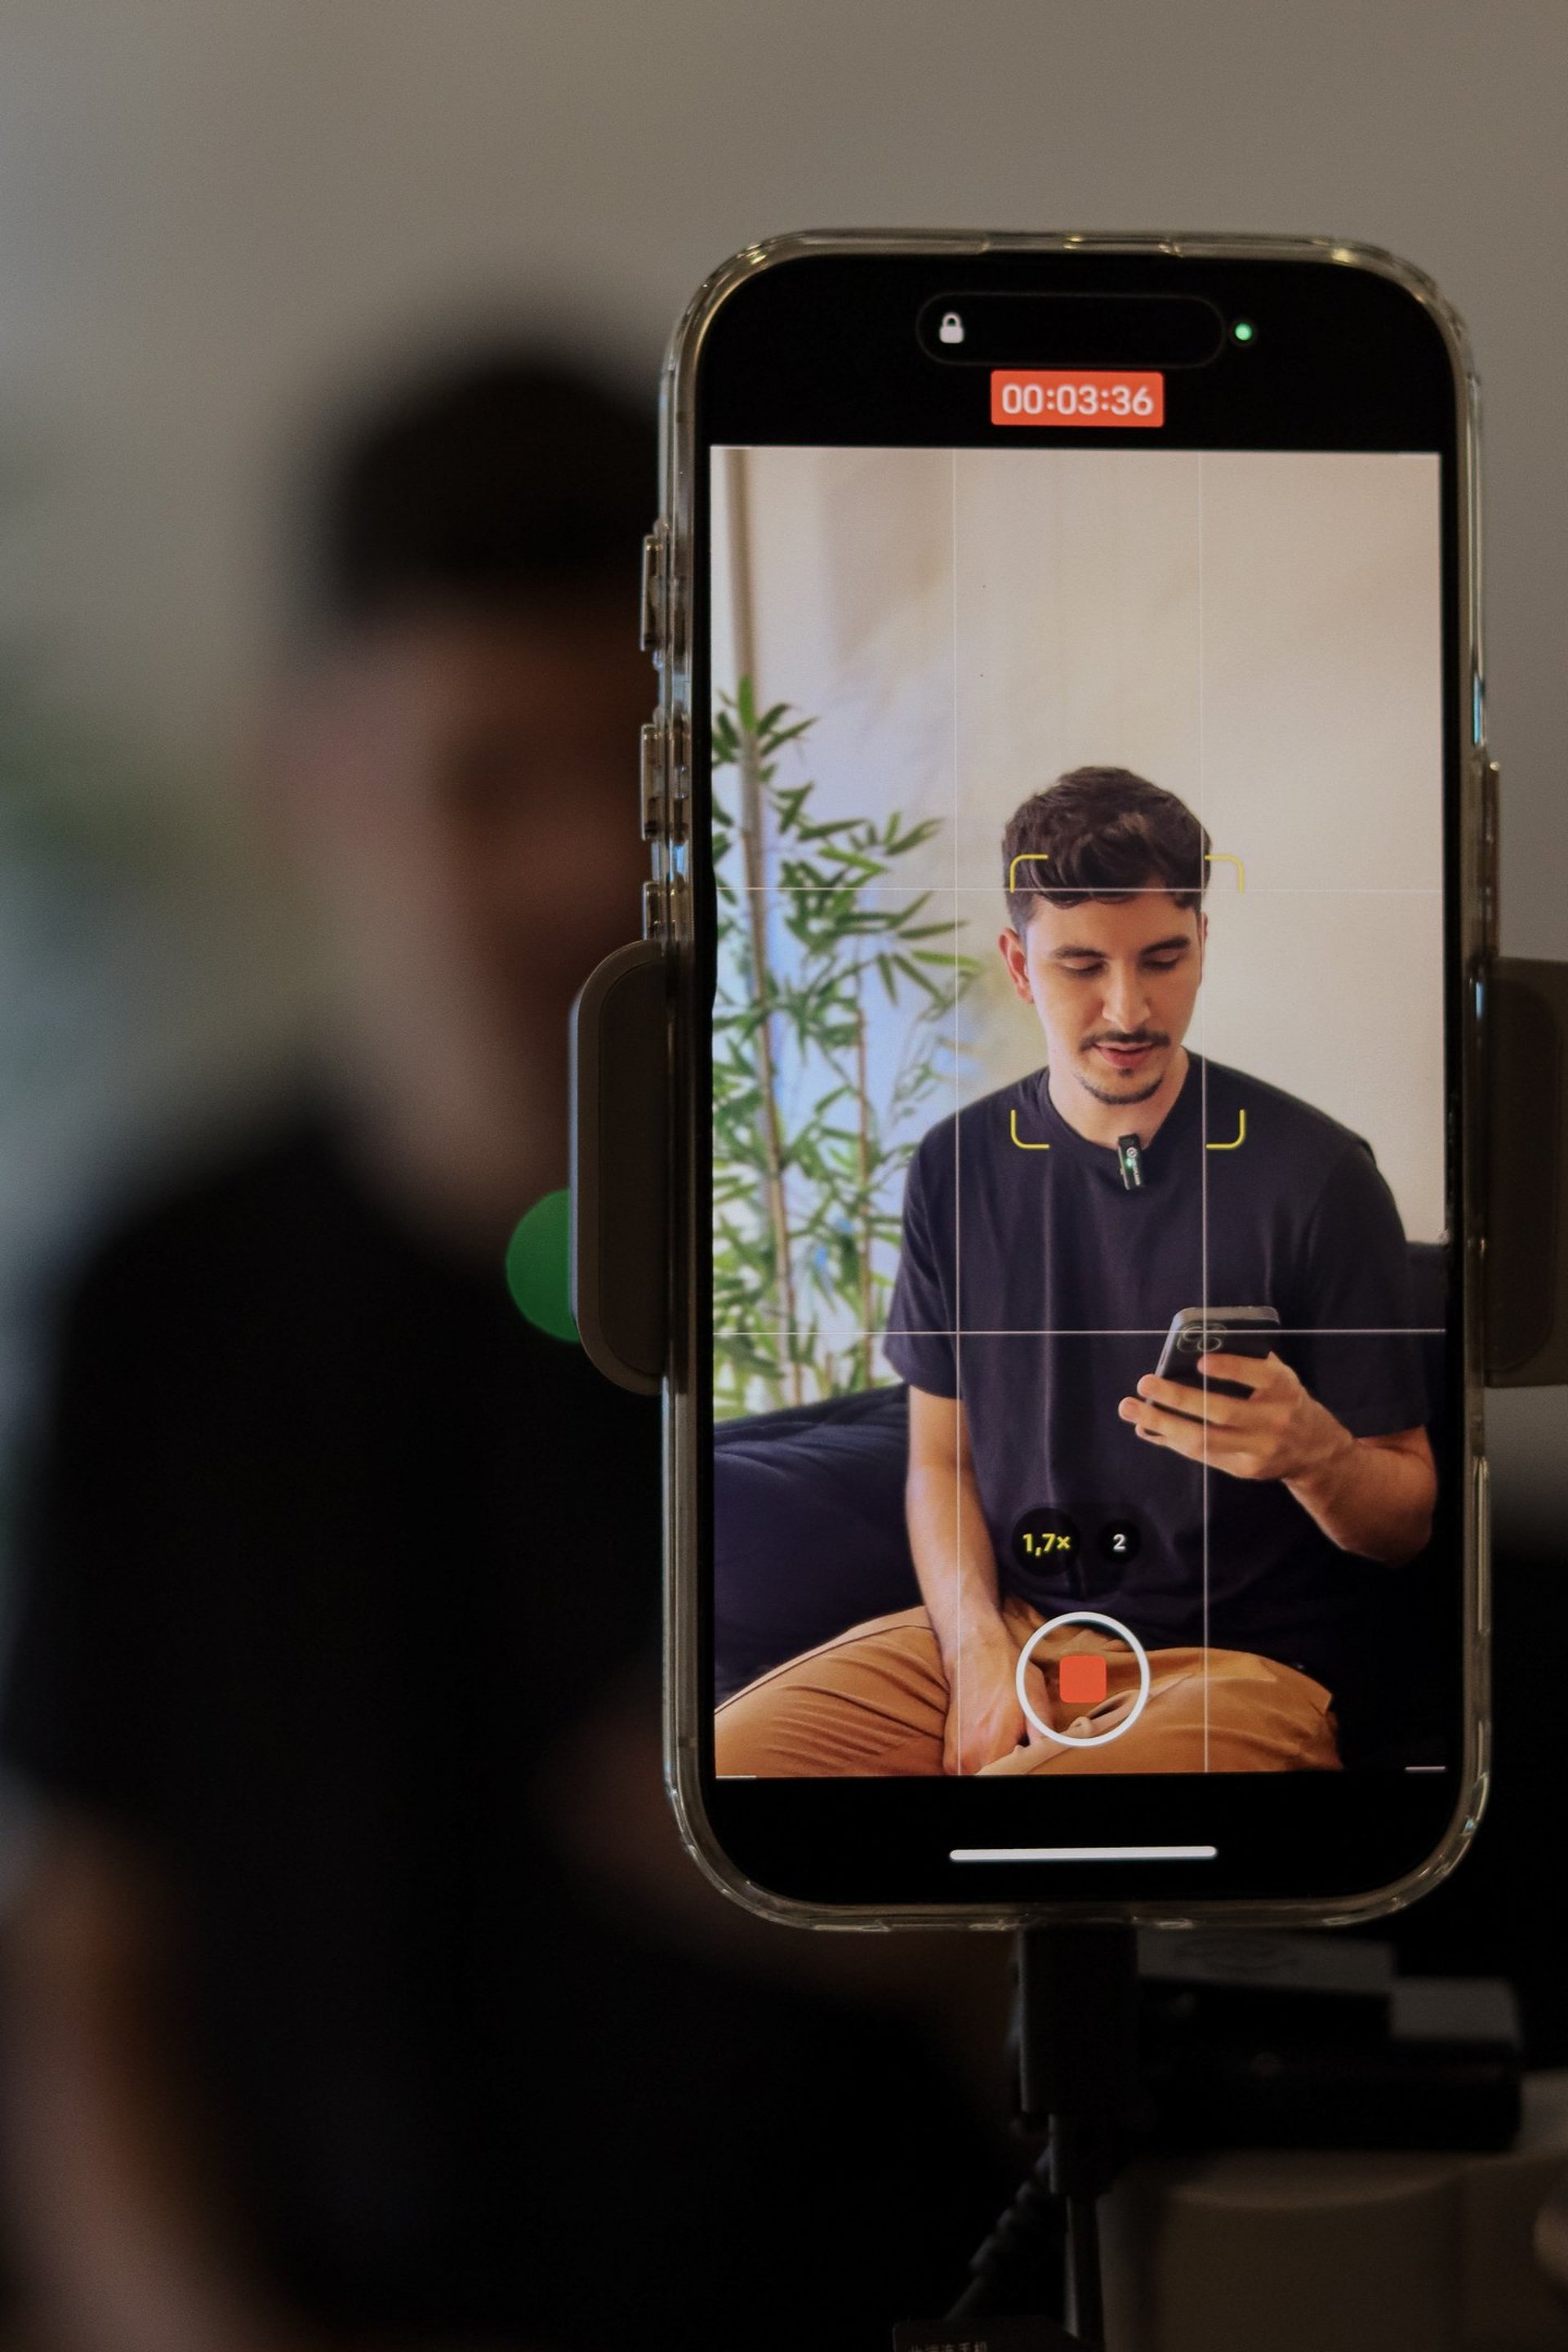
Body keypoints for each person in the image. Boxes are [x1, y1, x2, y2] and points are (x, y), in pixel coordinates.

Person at [0, 351, 1005, 2352]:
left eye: (627, 785)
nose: (571, 874)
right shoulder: (164, 1294)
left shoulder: (922, 1264)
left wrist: (901, 1920)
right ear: (314, 772)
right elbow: (89, 1950)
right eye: (485, 777)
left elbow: (1090, 1970)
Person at [717, 766, 1437, 1780]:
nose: (1128, 1008)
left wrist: (1317, 1456)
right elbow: (941, 1460)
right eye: (1082, 966)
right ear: (1019, 964)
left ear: (1202, 946)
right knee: (727, 1776)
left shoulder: (1318, 1177)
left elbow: (1405, 1519)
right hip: (1018, 1632)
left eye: (1163, 959)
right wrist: (974, 1649)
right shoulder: (956, 1167)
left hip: (1238, 1667)